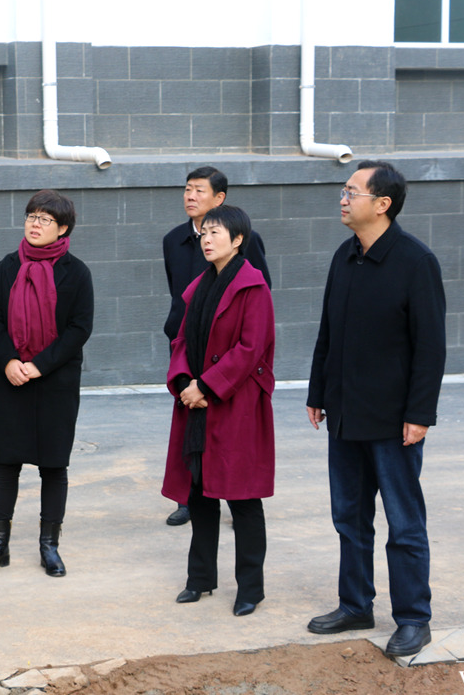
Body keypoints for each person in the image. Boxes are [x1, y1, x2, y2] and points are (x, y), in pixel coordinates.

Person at [305, 160, 446, 658]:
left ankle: (413, 618)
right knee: (349, 517)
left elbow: (431, 347)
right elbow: (328, 330)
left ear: (382, 204)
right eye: (343, 191)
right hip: (344, 413)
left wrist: (420, 414)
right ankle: (355, 604)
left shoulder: (415, 261)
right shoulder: (345, 256)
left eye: (352, 192)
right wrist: (318, 391)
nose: (343, 199)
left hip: (393, 421)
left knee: (403, 523)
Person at [162, 205, 275, 617]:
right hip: (196, 405)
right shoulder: (199, 286)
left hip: (236, 406)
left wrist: (206, 386)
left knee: (242, 499)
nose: (207, 240)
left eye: (216, 233)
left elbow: (250, 349)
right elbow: (181, 341)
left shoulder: (253, 287)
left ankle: (251, 589)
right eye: (204, 233)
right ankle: (200, 579)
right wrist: (183, 383)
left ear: (238, 240)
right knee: (199, 493)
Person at [0, 190, 94, 577]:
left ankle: (49, 546)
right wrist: (9, 360)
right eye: (31, 216)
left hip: (56, 380)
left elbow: (79, 328)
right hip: (12, 379)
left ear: (63, 229)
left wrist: (39, 365)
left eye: (45, 219)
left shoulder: (77, 272)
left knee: (53, 465)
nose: (35, 224)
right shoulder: (8, 266)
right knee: (5, 463)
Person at [161, 166, 271, 527]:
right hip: (190, 354)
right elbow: (178, 298)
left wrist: (210, 381)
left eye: (199, 190)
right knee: (193, 443)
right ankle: (190, 501)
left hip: (228, 366)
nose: (190, 196)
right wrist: (186, 377)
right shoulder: (174, 240)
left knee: (231, 446)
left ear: (219, 198)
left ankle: (237, 500)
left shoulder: (247, 244)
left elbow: (256, 312)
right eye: (187, 189)